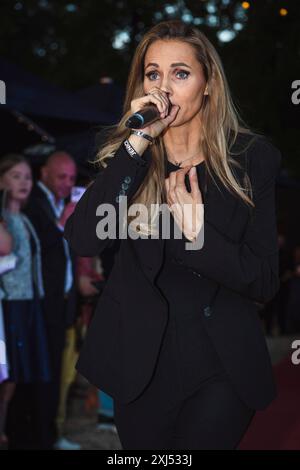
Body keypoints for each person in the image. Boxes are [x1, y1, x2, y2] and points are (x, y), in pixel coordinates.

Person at [64, 20, 282, 450]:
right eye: (153, 73)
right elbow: (84, 239)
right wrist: (138, 142)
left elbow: (264, 280)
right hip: (140, 365)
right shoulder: (129, 157)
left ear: (208, 84)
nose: (164, 86)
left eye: (180, 73)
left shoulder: (252, 160)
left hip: (220, 364)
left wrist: (199, 235)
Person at [24, 151, 80, 450]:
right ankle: (40, 439)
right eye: (62, 176)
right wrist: (61, 224)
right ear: (44, 173)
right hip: (40, 307)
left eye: (72, 178)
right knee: (41, 379)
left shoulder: (60, 204)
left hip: (61, 305)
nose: (67, 184)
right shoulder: (32, 202)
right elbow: (33, 251)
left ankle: (50, 435)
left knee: (55, 377)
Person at [0, 154, 51, 449]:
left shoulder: (25, 219)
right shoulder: (3, 218)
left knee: (14, 380)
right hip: (8, 305)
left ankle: (6, 429)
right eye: (16, 176)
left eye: (27, 177)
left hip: (29, 302)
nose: (24, 182)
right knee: (6, 375)